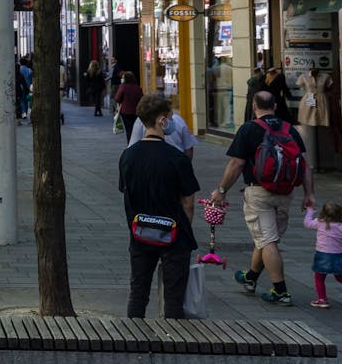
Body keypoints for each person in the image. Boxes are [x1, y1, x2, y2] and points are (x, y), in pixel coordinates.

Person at [210, 90, 316, 306]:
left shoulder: (249, 129)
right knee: (268, 238)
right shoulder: (290, 129)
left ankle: (280, 291)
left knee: (267, 240)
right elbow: (304, 165)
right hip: (285, 193)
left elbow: (236, 164)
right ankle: (251, 277)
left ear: (254, 106)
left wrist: (221, 190)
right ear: (275, 106)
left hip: (258, 193)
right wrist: (309, 194)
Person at [119, 93, 200, 319]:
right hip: (173, 234)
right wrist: (185, 229)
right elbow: (188, 202)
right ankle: (172, 340)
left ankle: (134, 337)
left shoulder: (127, 157)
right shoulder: (177, 158)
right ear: (162, 120)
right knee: (174, 296)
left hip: (140, 231)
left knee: (138, 292)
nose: (172, 121)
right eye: (169, 116)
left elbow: (126, 193)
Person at [305, 201, 342, 309]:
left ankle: (322, 300)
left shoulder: (320, 222)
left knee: (319, 277)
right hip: (338, 255)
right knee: (339, 277)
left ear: (323, 214)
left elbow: (307, 223)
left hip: (323, 255)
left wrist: (310, 211)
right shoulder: (340, 226)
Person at [125, 105, 198, 158]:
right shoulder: (179, 120)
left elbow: (132, 145)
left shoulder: (140, 121)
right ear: (163, 121)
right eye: (171, 117)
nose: (173, 120)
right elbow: (188, 147)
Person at [112, 72, 143, 139]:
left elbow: (117, 98)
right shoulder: (137, 87)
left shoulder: (123, 86)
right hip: (136, 111)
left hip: (125, 111)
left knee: (128, 128)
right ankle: (134, 140)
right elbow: (141, 99)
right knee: (134, 127)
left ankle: (129, 143)